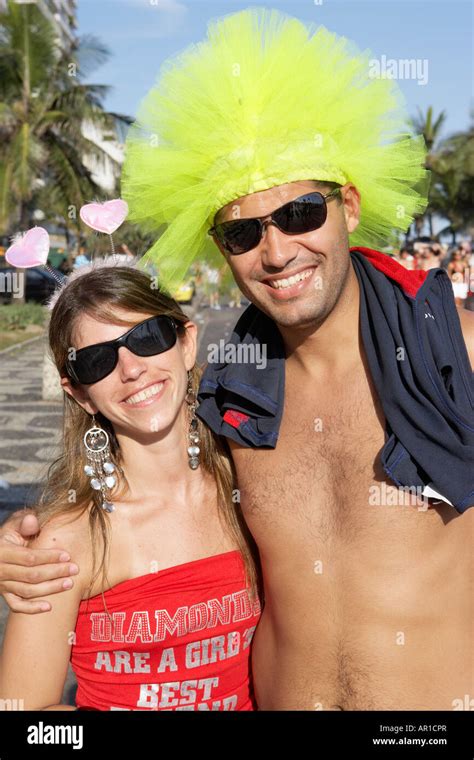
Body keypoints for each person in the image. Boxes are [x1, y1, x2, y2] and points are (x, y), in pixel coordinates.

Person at [2, 8, 474, 712]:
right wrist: (25, 547)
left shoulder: (454, 353)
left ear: (348, 204)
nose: (277, 252)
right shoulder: (234, 401)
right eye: (243, 232)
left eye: (301, 213)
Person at [0, 262, 260, 711]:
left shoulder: (254, 489)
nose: (131, 368)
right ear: (79, 393)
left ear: (186, 342)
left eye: (147, 337)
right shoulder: (65, 540)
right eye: (98, 360)